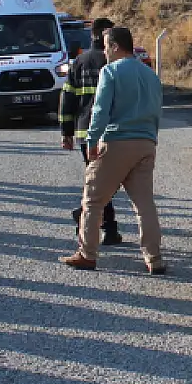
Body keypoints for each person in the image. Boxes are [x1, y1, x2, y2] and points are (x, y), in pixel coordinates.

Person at [61, 26, 164, 274]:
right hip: (145, 142)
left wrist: (92, 140)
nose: (104, 51)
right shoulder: (150, 74)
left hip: (116, 141)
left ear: (116, 46)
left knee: (93, 200)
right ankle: (154, 258)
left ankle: (87, 254)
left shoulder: (111, 71)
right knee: (144, 204)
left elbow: (100, 110)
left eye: (106, 46)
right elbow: (157, 110)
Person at [59, 18, 123, 248]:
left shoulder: (80, 61)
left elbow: (67, 99)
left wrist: (66, 132)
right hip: (114, 132)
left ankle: (95, 219)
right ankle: (103, 224)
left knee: (98, 181)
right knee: (109, 182)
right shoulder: (116, 62)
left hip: (86, 133)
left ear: (92, 34)